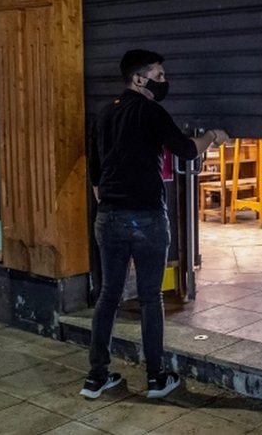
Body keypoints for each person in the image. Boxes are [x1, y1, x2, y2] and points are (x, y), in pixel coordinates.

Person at [82, 49, 228, 400]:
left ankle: (96, 377)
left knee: (108, 296)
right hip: (146, 216)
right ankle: (156, 378)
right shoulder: (150, 111)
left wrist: (114, 207)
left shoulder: (104, 114)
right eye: (159, 76)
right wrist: (212, 135)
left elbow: (96, 178)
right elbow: (186, 150)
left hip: (108, 217)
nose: (164, 82)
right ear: (138, 79)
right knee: (150, 299)